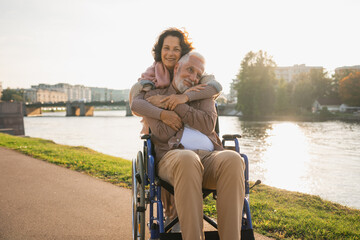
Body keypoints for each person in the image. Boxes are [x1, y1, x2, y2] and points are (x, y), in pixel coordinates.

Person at [131, 52, 245, 240]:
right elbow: (163, 132)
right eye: (190, 70)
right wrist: (171, 111)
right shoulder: (156, 95)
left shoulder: (203, 93)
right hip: (173, 157)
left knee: (233, 158)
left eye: (198, 74)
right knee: (187, 158)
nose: (193, 78)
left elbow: (208, 124)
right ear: (177, 68)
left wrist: (178, 104)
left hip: (209, 158)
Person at [129, 27, 222, 228]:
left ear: (183, 54)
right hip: (167, 139)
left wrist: (184, 97)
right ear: (160, 51)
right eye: (166, 48)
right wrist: (163, 112)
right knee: (180, 159)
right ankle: (178, 221)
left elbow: (215, 88)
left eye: (176, 49)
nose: (170, 53)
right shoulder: (151, 77)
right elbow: (137, 103)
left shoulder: (196, 72)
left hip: (198, 142)